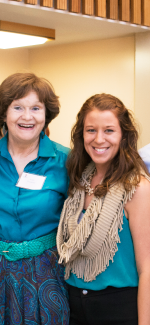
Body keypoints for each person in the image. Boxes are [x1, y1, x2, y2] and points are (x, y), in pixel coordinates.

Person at [0, 73, 70, 325]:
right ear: (4, 113)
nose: (27, 117)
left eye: (36, 108)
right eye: (17, 107)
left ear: (46, 115)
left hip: (46, 269)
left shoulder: (67, 161)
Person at [57, 93, 150, 325]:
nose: (99, 139)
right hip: (73, 303)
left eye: (109, 130)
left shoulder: (137, 187)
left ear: (123, 136)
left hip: (119, 307)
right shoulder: (78, 180)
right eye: (91, 130)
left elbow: (147, 268)